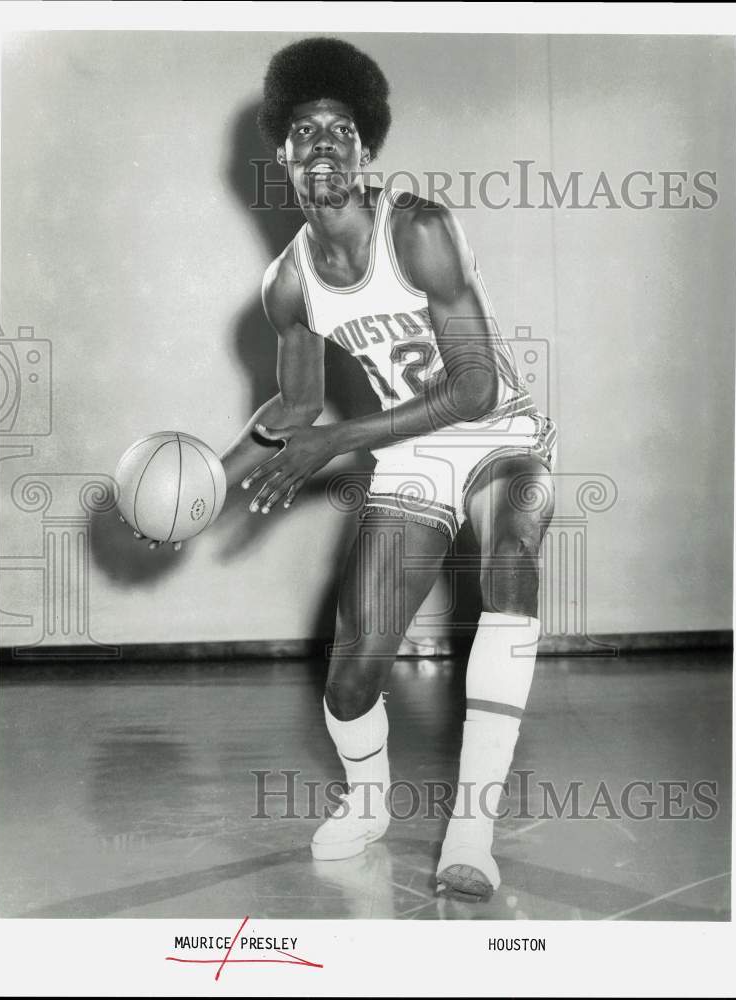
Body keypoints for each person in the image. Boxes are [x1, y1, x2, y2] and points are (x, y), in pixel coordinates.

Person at [136, 36, 557, 901]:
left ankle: (470, 836)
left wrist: (342, 440)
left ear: (367, 149)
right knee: (353, 673)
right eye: (303, 130)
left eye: (340, 129)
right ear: (280, 153)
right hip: (407, 449)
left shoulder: (423, 229)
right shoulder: (288, 285)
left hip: (497, 433)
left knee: (510, 556)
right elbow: (293, 413)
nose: (322, 143)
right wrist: (201, 494)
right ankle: (369, 804)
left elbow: (475, 386)